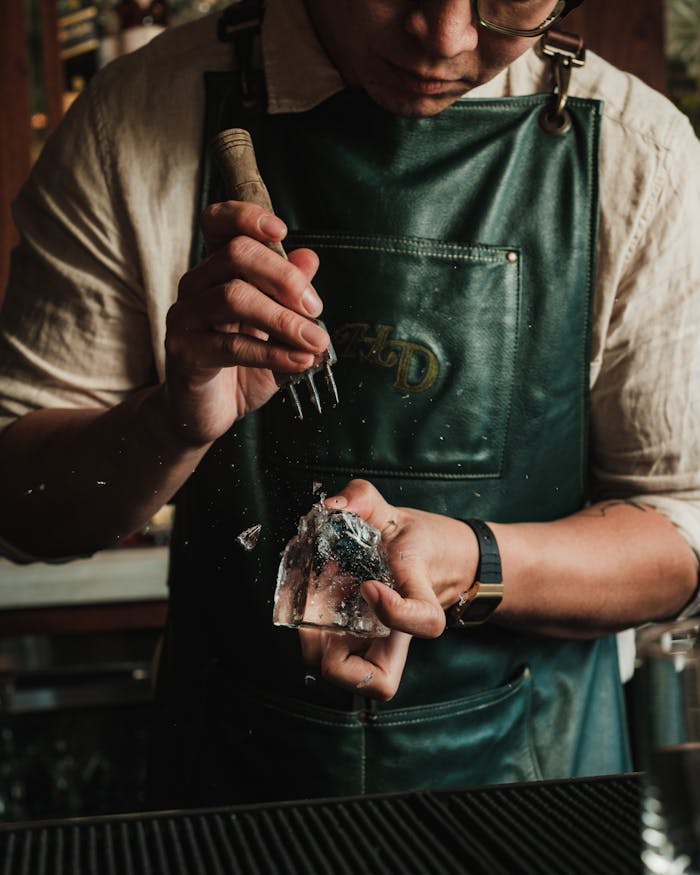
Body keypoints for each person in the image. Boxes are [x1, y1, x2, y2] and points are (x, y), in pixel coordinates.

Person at [1, 0, 699, 808]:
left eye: (507, 3)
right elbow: (20, 507)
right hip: (230, 804)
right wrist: (169, 423)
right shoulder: (139, 117)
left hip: (540, 797)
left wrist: (467, 561)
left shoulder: (638, 155)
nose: (446, 38)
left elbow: (679, 532)